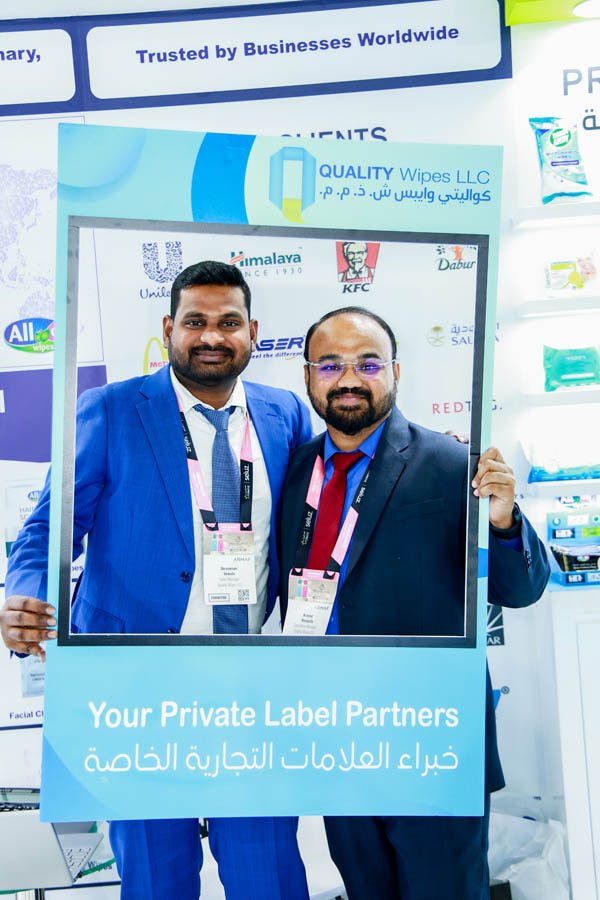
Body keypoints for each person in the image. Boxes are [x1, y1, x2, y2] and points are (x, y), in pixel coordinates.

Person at [0, 260, 312, 900]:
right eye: (195, 321)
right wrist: (28, 590)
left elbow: (324, 511)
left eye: (229, 322)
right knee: (155, 878)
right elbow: (51, 526)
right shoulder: (111, 410)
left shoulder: (284, 413)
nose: (211, 336)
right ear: (169, 329)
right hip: (136, 688)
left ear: (253, 332)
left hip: (250, 685)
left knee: (268, 874)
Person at [278, 305, 550, 900]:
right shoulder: (294, 472)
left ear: (395, 372)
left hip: (431, 741)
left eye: (368, 363)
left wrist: (504, 521)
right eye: (330, 364)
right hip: (336, 738)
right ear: (308, 377)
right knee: (366, 887)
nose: (349, 378)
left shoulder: (454, 464)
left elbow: (521, 589)